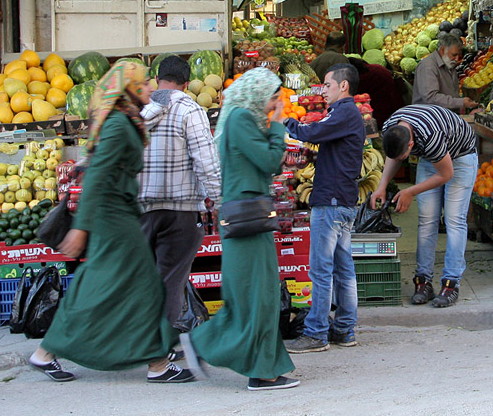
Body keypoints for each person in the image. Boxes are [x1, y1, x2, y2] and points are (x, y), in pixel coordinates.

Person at [31, 61, 193, 384]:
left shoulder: (126, 119)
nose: (151, 88)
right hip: (113, 216)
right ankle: (157, 363)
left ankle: (47, 352)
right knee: (142, 285)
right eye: (146, 83)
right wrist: (81, 228)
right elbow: (97, 177)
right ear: (130, 89)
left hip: (119, 213)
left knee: (104, 285)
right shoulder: (119, 125)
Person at [178, 68, 298, 391]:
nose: (277, 103)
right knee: (255, 295)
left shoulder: (242, 120)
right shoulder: (242, 120)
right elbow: (271, 161)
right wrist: (277, 124)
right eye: (273, 97)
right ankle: (212, 348)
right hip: (248, 220)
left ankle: (263, 368)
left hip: (251, 218)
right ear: (257, 95)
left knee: (260, 295)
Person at [281, 64, 366, 353]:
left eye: (327, 85)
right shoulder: (345, 114)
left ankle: (316, 332)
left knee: (321, 269)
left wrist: (286, 122)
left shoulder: (344, 112)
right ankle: (344, 329)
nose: (324, 90)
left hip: (330, 202)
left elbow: (313, 132)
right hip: (341, 200)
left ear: (343, 86)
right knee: (343, 269)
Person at [138, 55, 221, 340]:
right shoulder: (190, 109)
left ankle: (143, 341)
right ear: (186, 83)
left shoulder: (138, 108)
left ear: (157, 79)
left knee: (145, 279)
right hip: (180, 210)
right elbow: (206, 162)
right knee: (171, 281)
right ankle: (160, 349)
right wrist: (218, 201)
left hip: (142, 210)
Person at [373, 105, 478, 308]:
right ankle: (423, 282)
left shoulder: (431, 135)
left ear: (411, 144)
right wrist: (382, 186)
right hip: (432, 157)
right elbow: (393, 156)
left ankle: (451, 284)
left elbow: (446, 174)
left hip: (460, 157)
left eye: (404, 157)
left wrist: (411, 191)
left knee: (454, 220)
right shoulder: (390, 127)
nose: (400, 161)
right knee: (426, 220)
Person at [412, 34, 478, 113]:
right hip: (430, 118)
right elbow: (431, 98)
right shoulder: (428, 67)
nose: (457, 59)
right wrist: (460, 102)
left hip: (445, 116)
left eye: (459, 55)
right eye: (454, 55)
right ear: (442, 50)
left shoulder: (449, 64)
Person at [345, 56, 403, 128]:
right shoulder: (372, 68)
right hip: (395, 110)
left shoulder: (363, 78)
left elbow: (358, 100)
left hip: (383, 116)